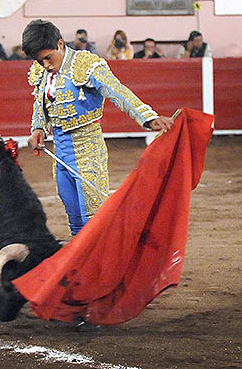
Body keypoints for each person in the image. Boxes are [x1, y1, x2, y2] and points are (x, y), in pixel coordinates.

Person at [23, 19, 172, 236]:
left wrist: (148, 117)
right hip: (60, 151)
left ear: (60, 44)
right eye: (39, 60)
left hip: (88, 149)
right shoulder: (42, 71)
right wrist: (38, 129)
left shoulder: (86, 64)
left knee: (95, 217)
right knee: (74, 216)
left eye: (48, 58)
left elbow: (117, 91)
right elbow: (40, 103)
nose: (45, 65)